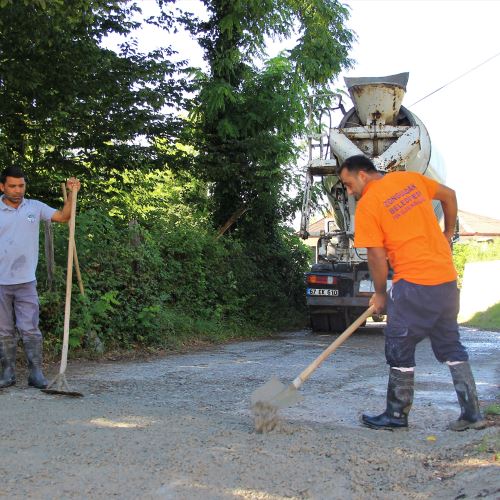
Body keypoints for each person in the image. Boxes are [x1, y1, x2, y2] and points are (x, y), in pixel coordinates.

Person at [338, 155, 486, 431]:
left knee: (399, 345)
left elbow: (376, 256)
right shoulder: (410, 180)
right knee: (451, 346)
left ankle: (396, 415)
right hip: (445, 280)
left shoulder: (369, 205)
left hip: (414, 284)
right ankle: (472, 414)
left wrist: (380, 293)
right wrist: (448, 233)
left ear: (363, 175)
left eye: (348, 184)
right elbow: (450, 195)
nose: (349, 191)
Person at [0, 166, 81, 389]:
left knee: (30, 328)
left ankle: (35, 373)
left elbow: (64, 217)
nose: (18, 190)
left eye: (21, 185)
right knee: (3, 330)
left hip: (26, 280)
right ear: (2, 187)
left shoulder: (34, 207)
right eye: (13, 186)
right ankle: (7, 373)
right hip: (0, 282)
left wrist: (72, 195)